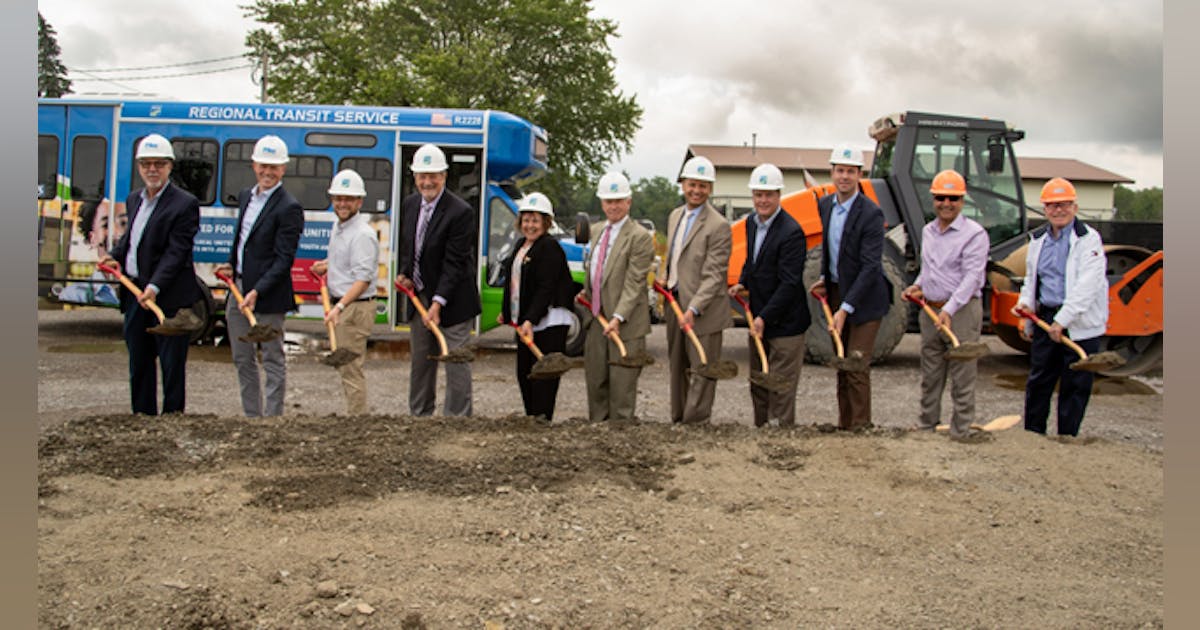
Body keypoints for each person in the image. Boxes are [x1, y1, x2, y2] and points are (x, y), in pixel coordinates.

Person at [100, 133, 202, 415]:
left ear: (170, 167)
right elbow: (131, 240)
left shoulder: (185, 204)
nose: (152, 169)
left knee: (171, 367)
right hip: (135, 295)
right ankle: (142, 420)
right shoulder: (134, 200)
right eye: (146, 164)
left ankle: (172, 421)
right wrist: (114, 256)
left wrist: (155, 286)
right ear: (139, 167)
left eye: (158, 163)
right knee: (140, 363)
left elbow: (176, 252)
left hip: (168, 300)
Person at [215, 135, 304, 418]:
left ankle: (272, 421)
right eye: (263, 166)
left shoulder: (289, 207)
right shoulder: (245, 197)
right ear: (254, 165)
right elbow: (242, 239)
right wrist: (232, 265)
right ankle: (252, 417)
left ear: (283, 169)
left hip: (268, 295)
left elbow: (283, 260)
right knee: (242, 358)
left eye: (274, 167)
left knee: (273, 358)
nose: (268, 172)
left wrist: (258, 291)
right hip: (239, 290)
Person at [1011, 177, 1108, 437]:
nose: (1058, 210)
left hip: (1079, 321)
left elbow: (1088, 285)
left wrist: (1062, 321)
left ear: (1074, 207)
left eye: (1064, 204)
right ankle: (1033, 435)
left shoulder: (1088, 240)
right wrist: (1025, 307)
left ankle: (1067, 438)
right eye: (1052, 205)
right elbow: (1032, 279)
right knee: (1039, 380)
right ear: (1045, 209)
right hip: (1047, 317)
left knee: (1075, 383)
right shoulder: (1039, 240)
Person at [901, 170, 990, 440]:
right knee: (931, 373)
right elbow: (930, 269)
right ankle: (927, 424)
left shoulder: (974, 235)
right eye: (941, 197)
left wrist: (949, 310)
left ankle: (960, 430)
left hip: (961, 312)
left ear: (962, 200)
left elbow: (971, 277)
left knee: (962, 373)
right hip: (930, 310)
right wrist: (918, 285)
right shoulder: (928, 231)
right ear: (934, 200)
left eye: (953, 198)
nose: (946, 203)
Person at [808, 145, 892, 431]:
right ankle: (844, 425)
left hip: (866, 298)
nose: (844, 176)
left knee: (856, 364)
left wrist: (845, 307)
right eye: (840, 170)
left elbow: (870, 268)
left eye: (850, 172)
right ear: (831, 172)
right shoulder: (825, 205)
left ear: (859, 174)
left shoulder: (871, 213)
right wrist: (823, 277)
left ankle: (860, 427)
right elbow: (830, 250)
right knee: (841, 361)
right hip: (836, 290)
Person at [396, 144, 481, 417]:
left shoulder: (460, 212)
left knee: (454, 360)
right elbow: (412, 247)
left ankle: (456, 420)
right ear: (415, 177)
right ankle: (420, 417)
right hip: (420, 295)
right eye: (422, 175)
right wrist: (406, 274)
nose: (427, 181)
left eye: (433, 175)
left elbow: (454, 263)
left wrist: (438, 302)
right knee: (421, 362)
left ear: (444, 176)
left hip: (453, 299)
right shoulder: (410, 204)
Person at [727, 164, 809, 427]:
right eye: (758, 194)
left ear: (778, 195)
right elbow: (753, 260)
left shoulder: (792, 232)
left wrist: (764, 317)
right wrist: (742, 281)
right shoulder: (752, 223)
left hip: (786, 323)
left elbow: (789, 283)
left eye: (769, 195)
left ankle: (781, 439)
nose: (763, 200)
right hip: (760, 317)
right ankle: (761, 432)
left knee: (780, 387)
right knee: (759, 382)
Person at [661, 156, 733, 424]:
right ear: (683, 185)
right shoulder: (675, 216)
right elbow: (674, 257)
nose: (697, 191)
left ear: (710, 189)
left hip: (703, 310)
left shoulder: (718, 225)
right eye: (692, 184)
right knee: (678, 366)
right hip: (675, 302)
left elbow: (714, 275)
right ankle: (678, 419)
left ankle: (696, 422)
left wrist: (693, 308)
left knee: (702, 369)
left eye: (703, 186)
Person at [580, 172, 655, 423]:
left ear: (629, 202)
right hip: (597, 323)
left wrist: (618, 317)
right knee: (596, 385)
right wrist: (587, 294)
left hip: (625, 326)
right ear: (601, 203)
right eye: (608, 201)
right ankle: (598, 443)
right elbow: (594, 270)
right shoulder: (597, 231)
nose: (613, 206)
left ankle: (621, 446)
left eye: (618, 200)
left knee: (621, 392)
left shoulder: (640, 237)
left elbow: (634, 283)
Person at [498, 192, 576, 421]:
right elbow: (513, 282)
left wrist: (530, 319)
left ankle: (542, 420)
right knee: (525, 373)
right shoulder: (521, 245)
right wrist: (507, 311)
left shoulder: (549, 247)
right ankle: (532, 418)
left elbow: (546, 288)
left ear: (546, 222)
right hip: (528, 321)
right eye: (526, 219)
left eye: (535, 220)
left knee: (543, 377)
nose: (530, 225)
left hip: (548, 322)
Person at [310, 169, 379, 416]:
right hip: (346, 305)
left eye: (348, 199)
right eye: (338, 198)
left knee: (350, 367)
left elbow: (362, 279)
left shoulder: (362, 234)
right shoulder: (340, 227)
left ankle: (357, 420)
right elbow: (348, 262)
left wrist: (339, 308)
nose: (342, 203)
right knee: (346, 367)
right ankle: (354, 416)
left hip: (354, 307)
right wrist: (326, 265)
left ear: (359, 202)